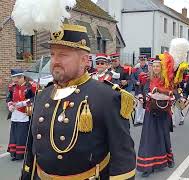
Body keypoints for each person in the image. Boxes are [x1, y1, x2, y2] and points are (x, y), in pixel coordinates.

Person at [20, 24, 136, 180]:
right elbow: (32, 150)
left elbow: (123, 158)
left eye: (62, 55)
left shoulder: (107, 96)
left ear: (84, 60)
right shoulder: (43, 95)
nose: (55, 61)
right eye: (53, 54)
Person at [137, 55, 175, 177]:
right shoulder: (146, 79)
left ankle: (168, 160)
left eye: (158, 66)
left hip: (163, 112)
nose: (156, 68)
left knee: (164, 136)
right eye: (154, 66)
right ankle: (147, 166)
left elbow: (173, 92)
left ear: (161, 67)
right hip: (150, 112)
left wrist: (163, 92)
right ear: (151, 67)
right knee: (149, 138)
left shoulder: (167, 79)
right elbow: (140, 90)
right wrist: (142, 96)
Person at [6, 69, 36, 161]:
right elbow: (9, 98)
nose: (16, 82)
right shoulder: (12, 87)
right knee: (14, 134)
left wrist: (24, 103)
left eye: (17, 79)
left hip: (26, 114)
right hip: (15, 114)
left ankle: (23, 154)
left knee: (22, 134)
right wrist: (10, 105)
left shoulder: (31, 86)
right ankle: (14, 153)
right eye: (14, 80)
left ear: (22, 77)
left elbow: (35, 97)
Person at [131, 55, 149, 126]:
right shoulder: (135, 69)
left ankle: (144, 119)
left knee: (146, 104)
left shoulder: (148, 68)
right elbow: (132, 77)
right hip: (138, 89)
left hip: (146, 88)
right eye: (141, 60)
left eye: (144, 60)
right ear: (139, 61)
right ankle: (138, 119)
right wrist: (136, 82)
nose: (142, 61)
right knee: (139, 104)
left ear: (145, 61)